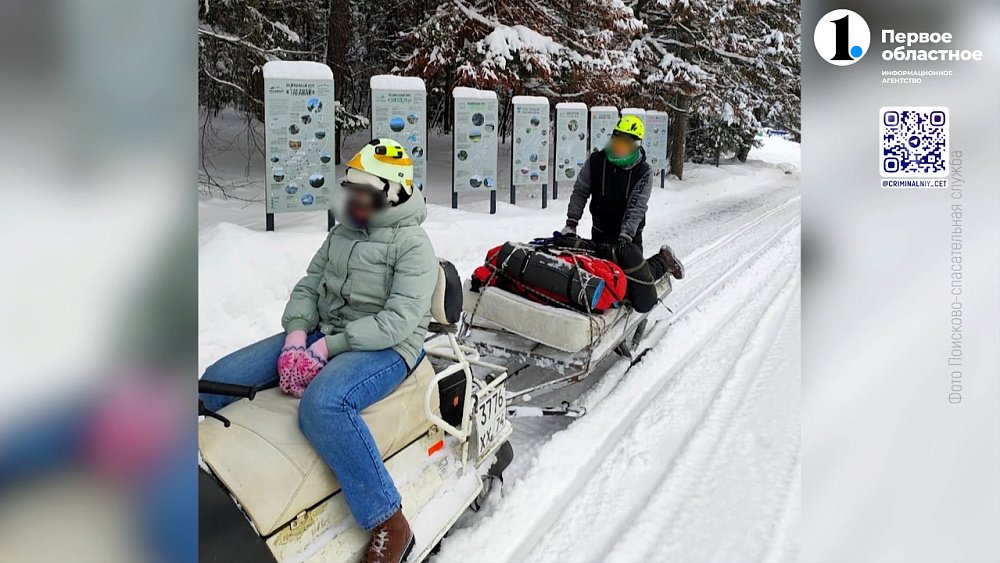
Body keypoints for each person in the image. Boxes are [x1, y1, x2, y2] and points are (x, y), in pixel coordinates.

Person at [199, 138, 437, 563]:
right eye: (353, 191)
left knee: (324, 405)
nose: (355, 201)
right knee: (218, 379)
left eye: (366, 193)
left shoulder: (413, 245)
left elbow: (398, 322)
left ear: (393, 192)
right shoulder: (343, 232)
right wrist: (296, 335)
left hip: (389, 347)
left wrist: (328, 346)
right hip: (325, 332)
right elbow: (310, 285)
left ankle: (389, 520)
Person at [559, 114, 685, 312]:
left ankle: (663, 260)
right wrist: (571, 221)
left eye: (625, 143)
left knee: (634, 285)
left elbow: (636, 207)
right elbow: (580, 191)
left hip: (628, 236)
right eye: (617, 139)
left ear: (635, 144)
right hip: (600, 229)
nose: (619, 146)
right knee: (604, 280)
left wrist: (625, 238)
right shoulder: (596, 161)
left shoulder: (642, 172)